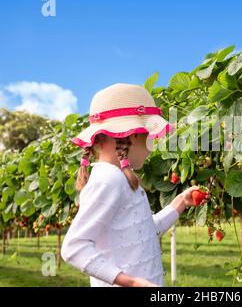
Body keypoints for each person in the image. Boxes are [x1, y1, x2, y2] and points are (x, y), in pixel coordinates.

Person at [61, 83, 209, 287]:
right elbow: (74, 248)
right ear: (132, 136)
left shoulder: (120, 178)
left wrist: (180, 202)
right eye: (149, 138)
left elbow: (146, 231)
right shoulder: (109, 180)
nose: (151, 148)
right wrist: (130, 282)